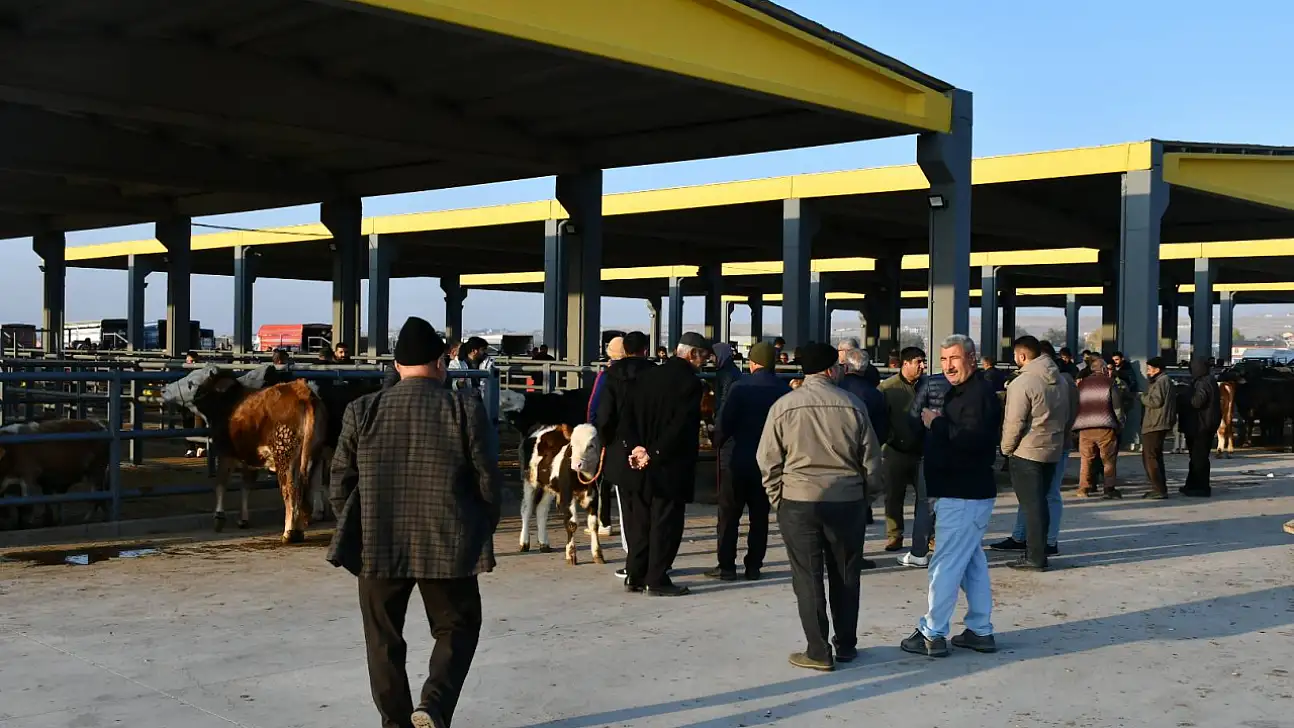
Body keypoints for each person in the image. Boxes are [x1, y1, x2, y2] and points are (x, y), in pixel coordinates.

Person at [327, 316, 502, 728]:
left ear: (396, 364)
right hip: (446, 541)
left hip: (378, 542)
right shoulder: (463, 408)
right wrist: (480, 529)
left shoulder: (362, 410)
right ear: (441, 362)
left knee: (383, 639)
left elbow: (340, 479)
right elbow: (488, 480)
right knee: (458, 626)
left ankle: (396, 724)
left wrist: (355, 523)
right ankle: (433, 705)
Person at [758, 342, 882, 671]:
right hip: (847, 501)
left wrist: (778, 499)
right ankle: (846, 645)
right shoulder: (853, 405)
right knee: (845, 574)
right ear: (831, 370)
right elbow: (872, 462)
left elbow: (768, 460)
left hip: (799, 502)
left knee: (807, 577)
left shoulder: (784, 407)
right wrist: (865, 497)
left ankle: (818, 650)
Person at [901, 334, 1001, 658]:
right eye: (943, 360)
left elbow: (971, 440)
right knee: (972, 563)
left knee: (944, 565)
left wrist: (936, 424)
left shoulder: (977, 395)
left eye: (954, 359)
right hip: (962, 492)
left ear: (971, 358)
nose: (948, 366)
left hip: (963, 493)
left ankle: (932, 632)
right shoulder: (964, 392)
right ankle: (980, 629)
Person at [619, 332, 712, 596]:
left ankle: (635, 574)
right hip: (670, 465)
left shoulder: (645, 376)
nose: (704, 362)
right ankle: (657, 578)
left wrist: (636, 447)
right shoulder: (690, 384)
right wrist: (654, 452)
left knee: (641, 521)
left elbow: (626, 418)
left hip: (639, 463)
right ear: (692, 354)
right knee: (665, 523)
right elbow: (680, 427)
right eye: (703, 356)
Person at [709, 341, 790, 581]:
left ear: (752, 363)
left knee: (728, 516)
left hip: (736, 460)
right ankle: (754, 565)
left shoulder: (739, 388)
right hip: (768, 463)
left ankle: (726, 566)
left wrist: (716, 441)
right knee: (759, 516)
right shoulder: (784, 390)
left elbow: (724, 425)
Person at [994, 341, 1076, 557]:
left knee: (1033, 504)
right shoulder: (1061, 380)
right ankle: (1041, 544)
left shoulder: (1023, 382)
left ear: (1022, 356)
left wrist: (1006, 448)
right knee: (1042, 500)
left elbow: (1015, 421)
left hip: (1027, 450)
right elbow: (1069, 414)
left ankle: (1035, 555)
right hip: (1053, 447)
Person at [595, 332, 655, 579]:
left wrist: (606, 442)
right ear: (645, 349)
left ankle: (633, 564)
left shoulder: (611, 376)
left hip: (621, 451)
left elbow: (603, 416)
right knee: (651, 508)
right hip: (651, 449)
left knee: (628, 511)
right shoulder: (655, 374)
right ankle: (653, 561)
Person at [877, 347, 929, 562]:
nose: (922, 366)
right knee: (893, 496)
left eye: (923, 362)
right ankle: (894, 535)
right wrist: (889, 440)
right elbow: (880, 420)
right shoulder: (887, 389)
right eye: (918, 362)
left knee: (926, 498)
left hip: (923, 452)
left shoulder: (929, 386)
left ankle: (927, 536)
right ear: (905, 363)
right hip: (895, 451)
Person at [586, 337, 627, 538]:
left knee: (603, 479)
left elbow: (594, 404)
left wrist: (592, 428)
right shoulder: (643, 373)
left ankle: (604, 522)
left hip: (609, 433)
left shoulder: (605, 375)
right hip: (633, 433)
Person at [1073, 358, 1123, 499]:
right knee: (1108, 460)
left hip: (1085, 427)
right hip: (1105, 426)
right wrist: (1120, 423)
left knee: (1086, 459)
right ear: (1102, 369)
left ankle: (1083, 489)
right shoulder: (1109, 383)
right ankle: (1109, 489)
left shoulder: (1082, 384)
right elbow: (1117, 407)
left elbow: (1077, 404)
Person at [1138, 357, 1177, 500]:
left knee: (1150, 457)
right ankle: (1160, 487)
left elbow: (1155, 401)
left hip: (1155, 423)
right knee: (1155, 456)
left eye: (1149, 369)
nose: (1147, 372)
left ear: (1157, 369)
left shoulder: (1161, 381)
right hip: (1160, 423)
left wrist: (1142, 397)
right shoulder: (1164, 380)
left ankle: (1158, 489)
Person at [1182, 355, 1221, 497]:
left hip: (1201, 426)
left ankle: (1200, 487)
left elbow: (1197, 402)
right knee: (1197, 458)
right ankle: (1192, 484)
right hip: (1203, 425)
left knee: (1199, 458)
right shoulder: (1208, 380)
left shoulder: (1203, 383)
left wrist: (1185, 395)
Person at [711, 342, 742, 413]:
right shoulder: (729, 369)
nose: (711, 359)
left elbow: (724, 399)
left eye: (713, 355)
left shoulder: (726, 373)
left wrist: (719, 417)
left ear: (720, 355)